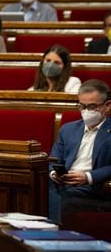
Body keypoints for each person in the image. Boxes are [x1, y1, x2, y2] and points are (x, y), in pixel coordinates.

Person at [49, 79, 111, 224]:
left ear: (107, 106)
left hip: (92, 186)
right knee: (39, 186)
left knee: (61, 198)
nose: (86, 111)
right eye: (82, 106)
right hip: (63, 183)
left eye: (92, 106)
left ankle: (51, 232)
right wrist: (54, 174)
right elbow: (53, 160)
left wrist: (88, 176)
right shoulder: (68, 129)